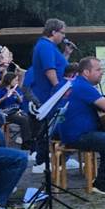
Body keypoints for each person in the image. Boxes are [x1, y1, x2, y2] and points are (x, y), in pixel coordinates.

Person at [57, 57, 105, 194]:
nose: (101, 72)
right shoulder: (83, 87)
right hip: (78, 136)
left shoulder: (80, 84)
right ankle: (100, 182)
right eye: (98, 70)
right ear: (86, 72)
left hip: (81, 130)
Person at [30, 18, 69, 172]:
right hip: (50, 95)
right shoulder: (45, 46)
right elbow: (50, 70)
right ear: (53, 32)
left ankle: (57, 159)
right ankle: (42, 162)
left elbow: (59, 67)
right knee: (51, 127)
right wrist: (59, 90)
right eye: (62, 33)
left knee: (54, 126)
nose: (64, 36)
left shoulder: (49, 46)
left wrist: (66, 54)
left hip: (53, 93)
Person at [0, 71, 32, 150]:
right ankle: (26, 145)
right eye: (15, 80)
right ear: (10, 80)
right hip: (6, 113)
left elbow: (20, 102)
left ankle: (29, 141)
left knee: (31, 118)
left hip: (16, 111)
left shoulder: (16, 89)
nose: (17, 82)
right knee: (23, 120)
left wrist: (18, 97)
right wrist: (5, 96)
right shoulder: (1, 89)